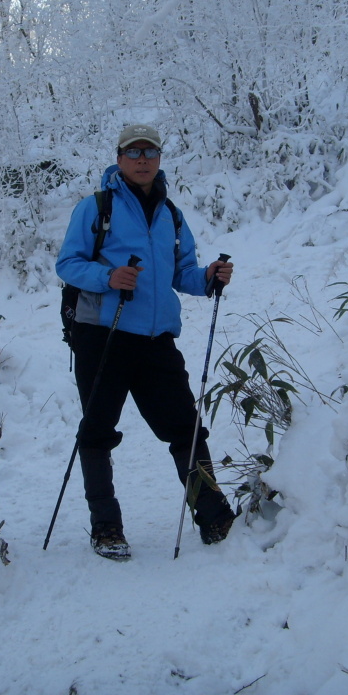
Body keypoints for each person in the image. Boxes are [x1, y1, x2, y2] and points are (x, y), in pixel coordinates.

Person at [56, 123, 236, 560]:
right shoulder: (96, 208)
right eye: (133, 152)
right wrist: (108, 276)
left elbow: (182, 273)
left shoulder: (170, 215)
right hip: (103, 335)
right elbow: (68, 264)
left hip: (157, 342)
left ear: (158, 159)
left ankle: (215, 518)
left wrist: (207, 277)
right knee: (97, 432)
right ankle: (106, 528)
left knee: (186, 429)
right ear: (119, 159)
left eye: (150, 152)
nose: (142, 159)